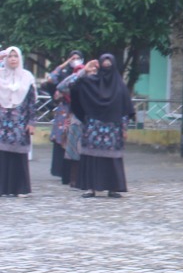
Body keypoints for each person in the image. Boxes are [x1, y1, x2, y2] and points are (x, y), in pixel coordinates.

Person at [69, 53, 135, 198]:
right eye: (103, 65)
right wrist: (84, 71)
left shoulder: (120, 86)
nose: (106, 69)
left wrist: (124, 128)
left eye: (109, 66)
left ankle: (113, 188)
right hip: (93, 127)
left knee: (111, 159)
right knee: (92, 158)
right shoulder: (91, 82)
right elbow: (71, 86)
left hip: (113, 129)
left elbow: (125, 109)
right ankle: (90, 188)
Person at [42, 50, 84, 185]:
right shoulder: (64, 74)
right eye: (73, 58)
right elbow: (51, 79)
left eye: (78, 58)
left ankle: (76, 175)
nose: (75, 60)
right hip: (64, 111)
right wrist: (64, 64)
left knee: (76, 143)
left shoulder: (84, 73)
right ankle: (63, 174)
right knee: (62, 142)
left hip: (78, 112)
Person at [0, 47, 37, 197]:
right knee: (2, 155)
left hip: (20, 123)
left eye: (16, 56)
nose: (13, 59)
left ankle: (20, 188)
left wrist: (32, 122)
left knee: (19, 156)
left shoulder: (27, 77)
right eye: (10, 56)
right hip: (2, 123)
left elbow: (32, 102)